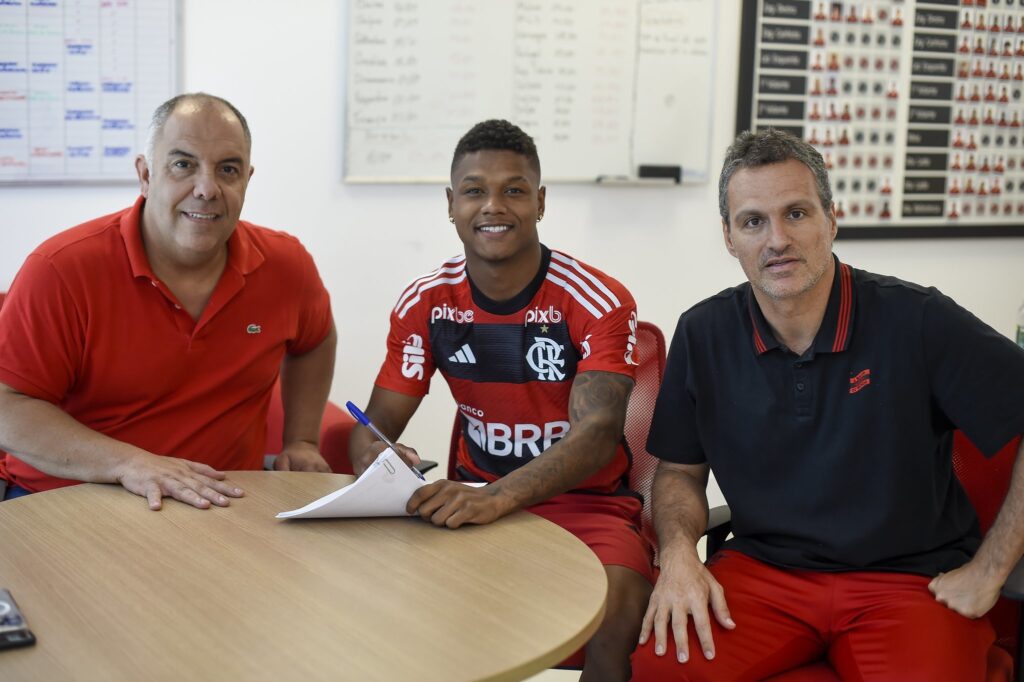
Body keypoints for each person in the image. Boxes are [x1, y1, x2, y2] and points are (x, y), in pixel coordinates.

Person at [631, 128, 1024, 680]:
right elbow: (677, 472)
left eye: (796, 213)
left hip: (907, 580)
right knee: (657, 670)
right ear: (728, 236)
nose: (777, 240)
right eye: (753, 221)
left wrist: (991, 567)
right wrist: (677, 556)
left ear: (830, 220)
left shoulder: (917, 320)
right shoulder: (704, 332)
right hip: (765, 572)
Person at [349, 119, 653, 681]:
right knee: (384, 608)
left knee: (617, 613)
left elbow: (596, 437)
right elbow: (373, 423)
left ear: (540, 202)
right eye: (474, 190)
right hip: (470, 500)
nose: (494, 206)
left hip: (586, 505)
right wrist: (377, 455)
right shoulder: (426, 301)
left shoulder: (597, 298)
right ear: (450, 203)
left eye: (514, 190)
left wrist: (496, 498)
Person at [0, 93, 337, 509]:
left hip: (221, 504)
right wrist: (130, 464)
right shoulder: (61, 269)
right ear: (145, 174)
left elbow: (313, 340)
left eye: (227, 170)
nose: (207, 189)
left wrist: (301, 439)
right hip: (66, 501)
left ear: (246, 180)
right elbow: (7, 407)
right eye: (183, 165)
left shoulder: (287, 266)